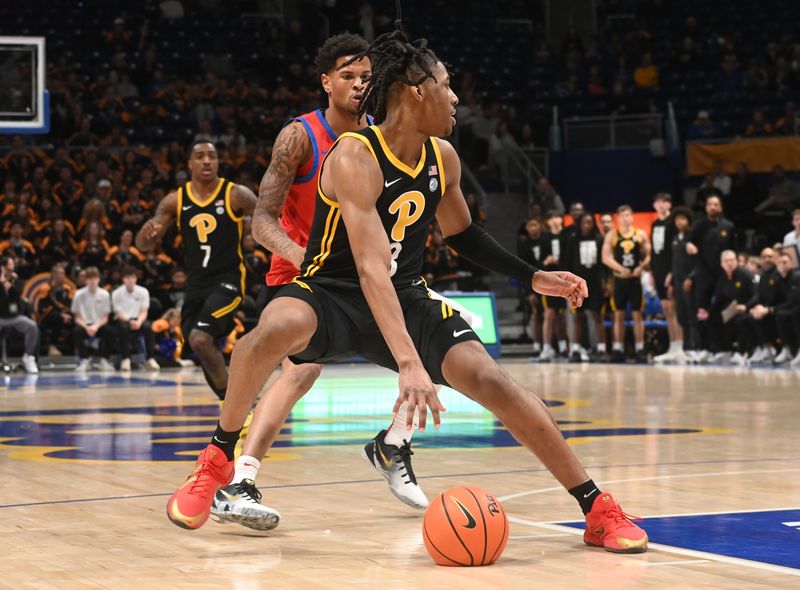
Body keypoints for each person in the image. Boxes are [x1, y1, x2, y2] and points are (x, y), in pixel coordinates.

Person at [166, 27, 648, 554]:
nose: (457, 97)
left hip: (407, 295)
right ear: (417, 90)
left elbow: (462, 234)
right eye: (448, 85)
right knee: (274, 329)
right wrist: (410, 363)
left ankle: (596, 509)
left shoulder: (443, 156)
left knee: (493, 381)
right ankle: (217, 458)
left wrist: (532, 276)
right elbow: (370, 269)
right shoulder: (354, 155)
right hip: (332, 290)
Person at [135, 140, 257, 398]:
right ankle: (234, 403)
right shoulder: (175, 200)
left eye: (211, 156)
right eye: (200, 156)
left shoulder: (235, 193)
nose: (206, 161)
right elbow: (143, 245)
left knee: (200, 339)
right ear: (189, 164)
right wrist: (147, 234)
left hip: (228, 279)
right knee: (199, 345)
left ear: (218, 162)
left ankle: (238, 403)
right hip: (195, 284)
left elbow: (269, 217)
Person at [684, 194, 736, 363]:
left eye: (716, 204)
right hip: (703, 275)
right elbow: (687, 241)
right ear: (706, 207)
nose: (713, 207)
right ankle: (704, 348)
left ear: (720, 207)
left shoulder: (728, 226)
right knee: (702, 312)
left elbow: (734, 250)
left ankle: (724, 348)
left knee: (724, 312)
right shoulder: (699, 226)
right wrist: (689, 245)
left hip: (722, 276)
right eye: (710, 204)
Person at [602, 205, 651, 363]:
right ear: (618, 218)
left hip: (635, 280)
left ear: (632, 217)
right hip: (619, 279)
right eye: (623, 216)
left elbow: (650, 254)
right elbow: (605, 257)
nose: (626, 218)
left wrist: (641, 267)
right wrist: (621, 269)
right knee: (618, 314)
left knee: (638, 314)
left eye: (628, 215)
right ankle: (618, 348)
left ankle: (640, 348)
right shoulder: (612, 235)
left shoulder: (640, 234)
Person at [697, 250, 754, 364]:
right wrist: (708, 312)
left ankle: (741, 352)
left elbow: (756, 295)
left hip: (746, 309)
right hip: (731, 310)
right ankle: (720, 350)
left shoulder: (745, 275)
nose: (729, 263)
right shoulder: (722, 278)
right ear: (722, 264)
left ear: (736, 261)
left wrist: (746, 306)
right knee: (711, 319)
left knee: (741, 320)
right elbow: (719, 300)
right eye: (726, 261)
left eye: (732, 260)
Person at [564, 212, 606, 361]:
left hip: (595, 284)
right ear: (580, 224)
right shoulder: (573, 240)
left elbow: (603, 264)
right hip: (577, 284)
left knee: (597, 315)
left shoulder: (599, 239)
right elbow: (568, 263)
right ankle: (575, 349)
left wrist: (605, 282)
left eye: (589, 222)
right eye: (584, 223)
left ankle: (601, 349)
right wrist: (569, 284)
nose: (587, 225)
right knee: (578, 317)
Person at [650, 194, 684, 363]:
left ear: (669, 204)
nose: (661, 205)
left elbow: (675, 250)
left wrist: (672, 272)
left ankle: (680, 345)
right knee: (666, 309)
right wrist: (651, 273)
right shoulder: (655, 224)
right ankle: (672, 345)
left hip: (671, 271)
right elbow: (654, 252)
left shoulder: (672, 223)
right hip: (657, 271)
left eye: (664, 202)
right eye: (658, 202)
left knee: (674, 308)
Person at [111, 266, 159, 371]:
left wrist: (139, 321)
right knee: (123, 328)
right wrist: (129, 321)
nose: (130, 280)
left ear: (136, 278)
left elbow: (144, 311)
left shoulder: (143, 291)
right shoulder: (116, 293)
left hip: (138, 319)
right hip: (123, 320)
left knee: (148, 327)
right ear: (123, 279)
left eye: (132, 277)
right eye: (127, 278)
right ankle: (125, 359)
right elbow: (118, 313)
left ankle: (150, 358)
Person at [0, 256, 39, 373]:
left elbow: (17, 296)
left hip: (15, 317)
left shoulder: (16, 281)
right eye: (8, 266)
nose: (11, 269)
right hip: (0, 317)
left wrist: (8, 284)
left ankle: (28, 357)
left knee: (32, 326)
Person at [71, 266, 114, 372]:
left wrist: (96, 326)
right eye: (90, 279)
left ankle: (104, 359)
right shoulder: (78, 294)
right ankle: (84, 360)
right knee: (76, 331)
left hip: (99, 324)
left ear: (98, 279)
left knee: (110, 332)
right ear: (86, 280)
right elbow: (77, 317)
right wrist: (87, 327)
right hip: (84, 324)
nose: (92, 281)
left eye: (95, 278)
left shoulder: (104, 294)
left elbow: (105, 317)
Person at [539, 210, 568, 361]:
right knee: (549, 313)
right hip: (550, 279)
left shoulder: (567, 235)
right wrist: (546, 262)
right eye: (551, 218)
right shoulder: (545, 238)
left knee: (562, 315)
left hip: (565, 279)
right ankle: (546, 347)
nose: (555, 220)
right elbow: (540, 261)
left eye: (557, 217)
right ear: (547, 222)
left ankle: (564, 346)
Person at [669, 207, 695, 361]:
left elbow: (699, 261)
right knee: (682, 315)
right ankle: (685, 348)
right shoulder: (675, 238)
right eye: (677, 219)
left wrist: (691, 278)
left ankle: (694, 347)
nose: (680, 222)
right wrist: (672, 282)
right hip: (677, 281)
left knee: (692, 315)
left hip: (690, 282)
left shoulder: (693, 236)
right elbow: (674, 262)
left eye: (683, 219)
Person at [518, 217, 545, 358]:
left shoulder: (545, 240)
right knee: (535, 315)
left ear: (540, 225)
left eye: (535, 224)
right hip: (532, 285)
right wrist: (529, 291)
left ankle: (551, 345)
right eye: (530, 225)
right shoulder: (524, 245)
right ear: (526, 228)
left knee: (550, 315)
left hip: (548, 282)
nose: (533, 228)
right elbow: (522, 270)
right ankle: (537, 345)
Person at [773, 252, 800, 367]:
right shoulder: (777, 279)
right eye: (779, 263)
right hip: (789, 308)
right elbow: (773, 298)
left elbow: (793, 300)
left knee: (795, 312)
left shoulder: (797, 276)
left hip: (797, 307)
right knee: (780, 314)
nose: (782, 265)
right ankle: (786, 350)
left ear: (792, 263)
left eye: (785, 262)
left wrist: (770, 309)